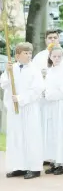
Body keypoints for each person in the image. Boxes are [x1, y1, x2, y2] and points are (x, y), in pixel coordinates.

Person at [1, 42, 44, 179]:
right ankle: (19, 166)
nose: (29, 55)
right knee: (16, 137)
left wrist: (20, 98)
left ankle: (34, 167)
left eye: (30, 53)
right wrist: (7, 72)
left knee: (31, 137)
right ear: (17, 55)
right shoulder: (12, 68)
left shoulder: (34, 69)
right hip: (15, 110)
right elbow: (3, 84)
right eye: (25, 53)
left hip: (29, 107)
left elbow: (38, 89)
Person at [43, 45, 63, 175]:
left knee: (61, 132)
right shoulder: (49, 71)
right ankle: (54, 161)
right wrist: (45, 94)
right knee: (52, 133)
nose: (57, 58)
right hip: (50, 106)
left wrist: (50, 95)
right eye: (54, 56)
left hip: (60, 104)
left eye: (59, 56)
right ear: (50, 57)